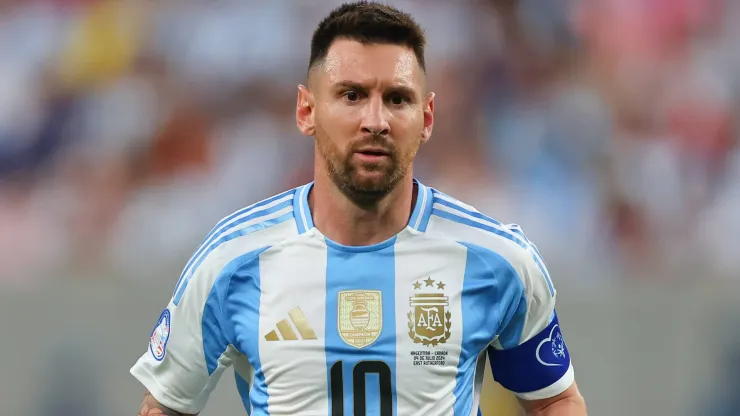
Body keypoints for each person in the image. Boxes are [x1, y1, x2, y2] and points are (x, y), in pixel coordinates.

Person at [130, 2, 587, 415]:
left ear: (426, 119)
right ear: (306, 111)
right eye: (352, 95)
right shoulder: (231, 260)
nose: (375, 121)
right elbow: (165, 405)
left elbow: (554, 401)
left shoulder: (496, 259)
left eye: (397, 99)